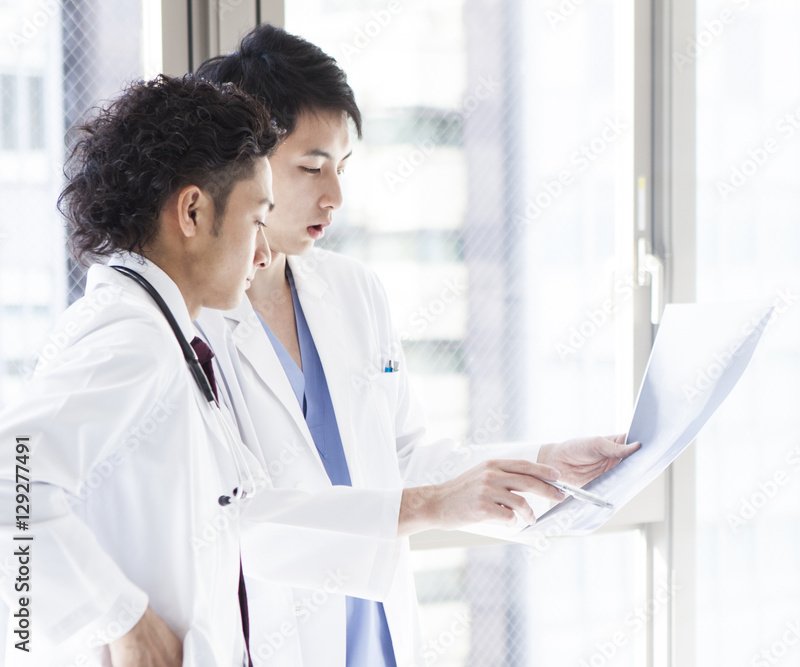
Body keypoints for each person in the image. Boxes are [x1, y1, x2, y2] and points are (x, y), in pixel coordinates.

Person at [196, 25, 640, 667]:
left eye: (343, 169)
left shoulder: (352, 290)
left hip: (377, 637)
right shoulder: (196, 321)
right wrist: (434, 505)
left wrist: (543, 462)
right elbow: (239, 526)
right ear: (244, 163)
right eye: (312, 167)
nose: (336, 197)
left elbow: (404, 457)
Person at [0, 74, 279, 665]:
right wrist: (121, 619)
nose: (265, 253)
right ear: (194, 210)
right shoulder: (133, 337)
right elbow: (9, 479)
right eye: (258, 220)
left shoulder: (163, 331)